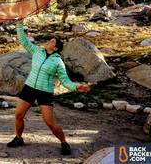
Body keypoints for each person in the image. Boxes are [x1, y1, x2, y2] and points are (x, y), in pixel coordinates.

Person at [7, 21, 91, 155]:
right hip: (29, 88)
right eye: (50, 40)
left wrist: (76, 87)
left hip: (44, 93)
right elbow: (24, 41)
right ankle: (18, 138)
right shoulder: (37, 51)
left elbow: (65, 80)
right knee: (18, 115)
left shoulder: (58, 62)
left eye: (52, 41)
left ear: (56, 48)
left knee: (50, 123)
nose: (48, 41)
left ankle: (64, 142)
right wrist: (19, 25)